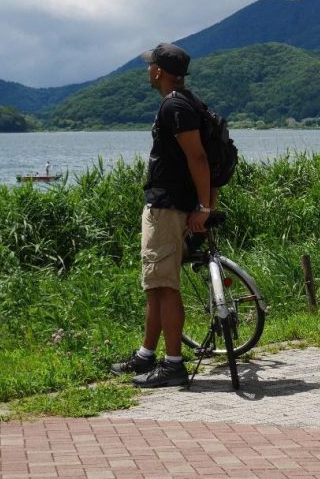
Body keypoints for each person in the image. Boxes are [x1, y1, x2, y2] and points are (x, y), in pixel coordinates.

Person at [110, 42, 215, 387]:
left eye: (149, 65)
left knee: (166, 287)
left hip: (168, 206)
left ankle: (173, 365)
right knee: (156, 284)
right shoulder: (187, 102)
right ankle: (145, 357)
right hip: (168, 204)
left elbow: (198, 158)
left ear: (158, 71)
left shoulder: (175, 107)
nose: (147, 70)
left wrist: (203, 207)